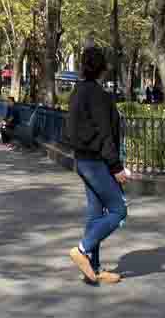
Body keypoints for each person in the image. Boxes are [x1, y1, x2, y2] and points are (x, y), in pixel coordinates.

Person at [65, 47, 129, 285]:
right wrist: (116, 167)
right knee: (118, 211)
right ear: (103, 68)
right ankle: (82, 250)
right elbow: (104, 135)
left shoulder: (77, 92)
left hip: (82, 160)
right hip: (97, 162)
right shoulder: (98, 96)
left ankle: (93, 269)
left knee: (95, 214)